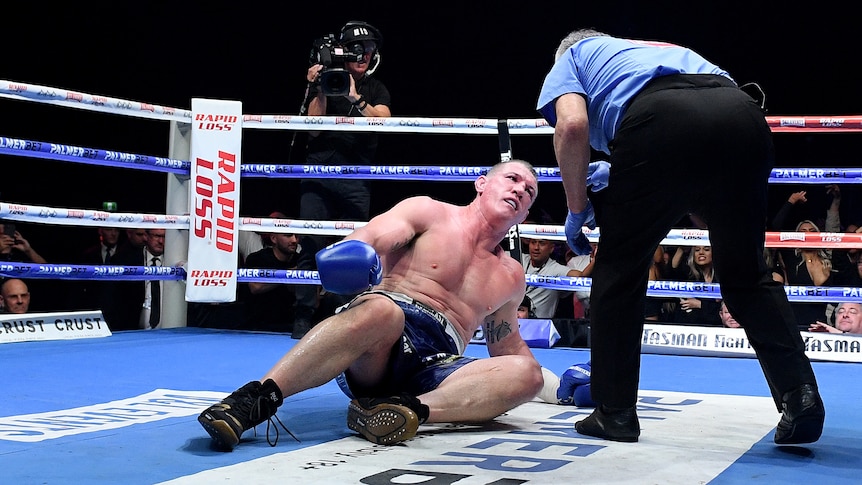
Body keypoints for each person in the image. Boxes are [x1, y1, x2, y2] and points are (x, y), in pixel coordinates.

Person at [537, 28, 824, 444]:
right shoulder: (662, 50)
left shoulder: (573, 56)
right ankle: (801, 398)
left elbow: (573, 126)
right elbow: (695, 156)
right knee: (746, 275)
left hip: (659, 122)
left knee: (619, 273)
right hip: (742, 116)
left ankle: (614, 412)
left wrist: (578, 205)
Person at [197, 160, 545, 450]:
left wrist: (560, 389)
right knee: (383, 311)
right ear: (481, 183)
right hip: (379, 340)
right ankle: (253, 401)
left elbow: (508, 344)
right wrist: (356, 251)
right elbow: (372, 236)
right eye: (512, 179)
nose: (518, 190)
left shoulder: (511, 275)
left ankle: (402, 411)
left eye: (528, 191)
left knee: (528, 375)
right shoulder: (429, 212)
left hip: (438, 366)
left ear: (525, 216)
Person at [292, 20, 392, 340]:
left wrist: (354, 98)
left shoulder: (375, 89)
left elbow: (385, 122)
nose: (363, 56)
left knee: (352, 248)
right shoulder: (324, 81)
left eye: (369, 51)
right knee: (310, 243)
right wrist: (318, 87)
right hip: (319, 174)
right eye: (357, 50)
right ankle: (303, 316)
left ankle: (346, 313)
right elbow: (313, 128)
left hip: (357, 178)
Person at [242, 213, 301, 332]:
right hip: (258, 325)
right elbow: (256, 287)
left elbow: (314, 298)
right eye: (288, 235)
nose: (294, 240)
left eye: (296, 235)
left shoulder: (301, 261)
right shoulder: (258, 258)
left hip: (292, 324)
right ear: (274, 238)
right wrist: (289, 275)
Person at [104, 228, 166, 330]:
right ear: (146, 236)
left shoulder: (176, 262)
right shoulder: (124, 260)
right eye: (157, 236)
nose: (161, 241)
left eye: (164, 237)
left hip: (169, 334)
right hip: (132, 331)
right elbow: (112, 301)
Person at [522, 237, 583, 318]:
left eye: (542, 243)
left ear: (551, 248)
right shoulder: (518, 259)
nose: (536, 248)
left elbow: (580, 276)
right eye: (533, 242)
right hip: (514, 322)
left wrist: (596, 259)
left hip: (542, 326)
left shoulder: (555, 268)